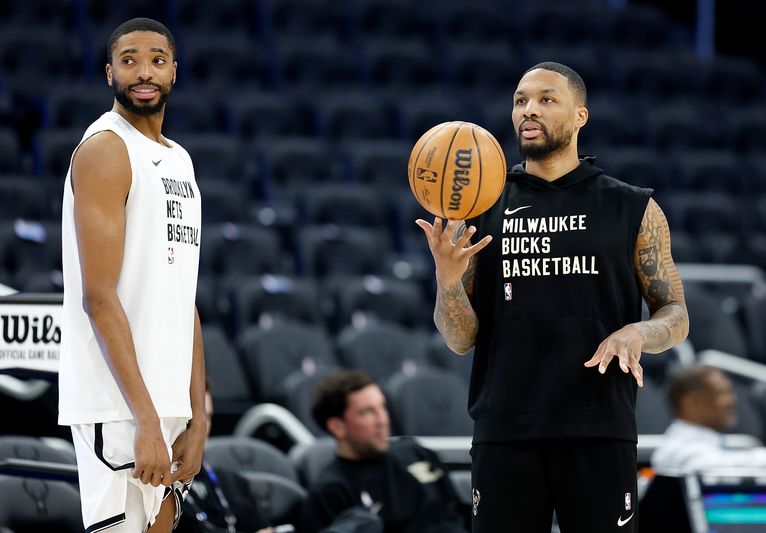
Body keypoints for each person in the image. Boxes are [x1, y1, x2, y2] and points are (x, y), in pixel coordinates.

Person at [416, 62, 690, 533]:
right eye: (521, 100)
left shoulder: (633, 207)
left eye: (546, 99)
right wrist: (447, 281)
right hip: (505, 428)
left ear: (580, 115)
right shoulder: (481, 205)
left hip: (598, 426)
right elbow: (461, 339)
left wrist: (638, 332)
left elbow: (676, 314)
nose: (529, 110)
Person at [59, 18, 206, 533]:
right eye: (129, 60)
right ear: (109, 73)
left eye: (156, 59)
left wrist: (197, 412)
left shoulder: (179, 160)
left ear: (173, 72)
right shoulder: (105, 149)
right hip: (118, 404)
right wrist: (145, 419)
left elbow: (181, 294)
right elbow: (98, 297)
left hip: (165, 402)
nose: (143, 71)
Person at [300, 370, 468, 533]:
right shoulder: (330, 492)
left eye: (382, 407)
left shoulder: (414, 451)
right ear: (338, 427)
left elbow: (462, 513)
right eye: (367, 412)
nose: (382, 420)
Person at [176, 380, 276, 533]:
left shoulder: (234, 482)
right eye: (193, 416)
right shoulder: (157, 490)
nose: (202, 426)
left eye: (206, 417)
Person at [651, 365, 766, 471]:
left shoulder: (710, 444)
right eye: (723, 393)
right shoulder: (677, 448)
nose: (732, 400)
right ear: (692, 402)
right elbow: (707, 469)